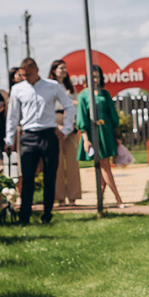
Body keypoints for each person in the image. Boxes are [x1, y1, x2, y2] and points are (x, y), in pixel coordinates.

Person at [6, 57, 75, 225]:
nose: (26, 78)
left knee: (50, 177)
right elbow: (13, 115)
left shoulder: (52, 86)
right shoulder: (17, 89)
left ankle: (47, 215)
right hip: (28, 136)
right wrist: (9, 138)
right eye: (22, 75)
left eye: (28, 74)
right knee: (27, 178)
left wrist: (65, 130)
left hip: (48, 134)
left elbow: (69, 105)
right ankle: (25, 216)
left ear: (36, 70)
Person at [76, 66, 125, 209]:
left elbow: (113, 115)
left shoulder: (105, 94)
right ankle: (118, 198)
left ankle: (101, 201)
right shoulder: (84, 95)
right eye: (92, 77)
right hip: (92, 133)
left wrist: (116, 136)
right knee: (104, 167)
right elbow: (81, 117)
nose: (95, 80)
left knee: (102, 166)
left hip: (106, 132)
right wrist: (85, 138)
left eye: (97, 77)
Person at [49, 59, 84, 207]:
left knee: (72, 162)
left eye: (65, 68)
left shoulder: (70, 87)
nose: (63, 70)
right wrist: (56, 126)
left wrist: (70, 126)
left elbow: (75, 105)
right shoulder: (49, 86)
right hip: (54, 123)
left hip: (70, 124)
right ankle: (59, 197)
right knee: (56, 164)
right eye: (60, 68)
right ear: (54, 70)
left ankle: (73, 197)